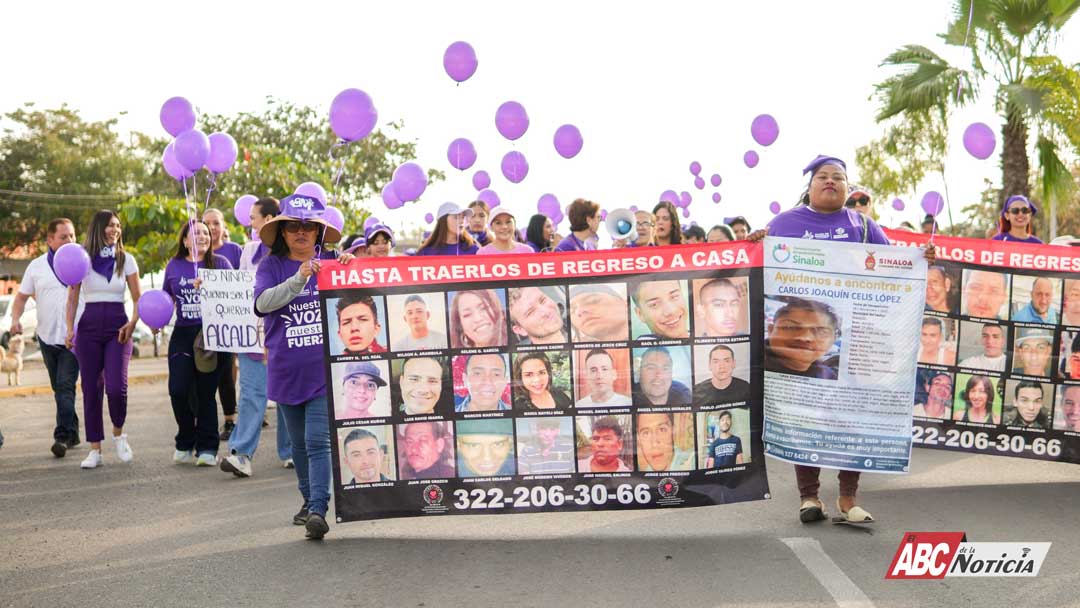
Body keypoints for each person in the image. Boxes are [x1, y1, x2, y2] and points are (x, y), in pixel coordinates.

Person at [749, 155, 937, 524]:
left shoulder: (863, 225)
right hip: (800, 340)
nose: (831, 182)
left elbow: (895, 263)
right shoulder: (785, 223)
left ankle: (848, 499)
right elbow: (760, 265)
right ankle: (809, 498)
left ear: (848, 188)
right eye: (823, 177)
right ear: (811, 185)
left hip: (855, 339)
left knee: (852, 417)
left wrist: (922, 257)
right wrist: (755, 242)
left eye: (839, 177)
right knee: (806, 416)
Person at [253, 192, 353, 539]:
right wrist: (299, 278)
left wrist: (352, 272)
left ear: (318, 233)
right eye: (294, 226)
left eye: (309, 227)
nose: (301, 233)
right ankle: (309, 498)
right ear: (282, 232)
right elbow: (263, 304)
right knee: (297, 444)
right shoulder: (270, 266)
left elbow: (357, 300)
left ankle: (319, 508)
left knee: (316, 440)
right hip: (284, 370)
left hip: (323, 372)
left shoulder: (334, 263)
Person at [222, 196, 292, 478]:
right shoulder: (247, 250)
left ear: (269, 219)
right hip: (251, 337)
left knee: (288, 396)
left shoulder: (291, 255)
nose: (249, 222)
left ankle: (291, 451)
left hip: (281, 336)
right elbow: (235, 289)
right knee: (251, 394)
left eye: (253, 217)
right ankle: (241, 454)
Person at [65, 210, 141, 470]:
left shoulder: (126, 259)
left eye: (118, 226)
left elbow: (138, 297)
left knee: (116, 388)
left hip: (118, 327)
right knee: (90, 388)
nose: (115, 230)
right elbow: (73, 296)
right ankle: (95, 449)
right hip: (88, 328)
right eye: (110, 225)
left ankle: (119, 434)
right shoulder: (82, 259)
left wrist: (133, 323)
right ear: (99, 228)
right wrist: (69, 329)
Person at [11, 218, 82, 457]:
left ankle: (61, 437)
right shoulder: (37, 266)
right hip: (47, 336)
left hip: (74, 338)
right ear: (49, 240)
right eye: (63, 237)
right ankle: (72, 431)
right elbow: (21, 297)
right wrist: (15, 319)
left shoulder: (83, 262)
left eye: (72, 236)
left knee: (65, 385)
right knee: (59, 387)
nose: (70, 241)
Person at [164, 221, 231, 466]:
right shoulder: (174, 265)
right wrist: (155, 319)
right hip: (183, 332)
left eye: (205, 232)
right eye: (196, 233)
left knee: (205, 394)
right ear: (184, 240)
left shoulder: (221, 264)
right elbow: (165, 299)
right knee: (178, 390)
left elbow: (234, 296)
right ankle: (185, 438)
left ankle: (207, 448)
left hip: (213, 334)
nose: (203, 236)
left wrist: (211, 286)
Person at [203, 208, 242, 439]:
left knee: (229, 370)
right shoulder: (197, 252)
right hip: (205, 321)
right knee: (210, 373)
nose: (212, 228)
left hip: (231, 319)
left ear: (223, 225)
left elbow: (244, 280)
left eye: (216, 223)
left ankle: (231, 419)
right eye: (207, 223)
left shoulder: (234, 250)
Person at [764, 299, 839, 380]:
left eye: (821, 331)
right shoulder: (752, 362)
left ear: (832, 340)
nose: (804, 337)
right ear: (771, 330)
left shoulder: (828, 376)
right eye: (790, 327)